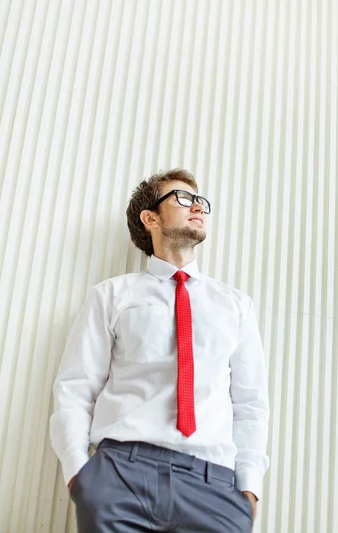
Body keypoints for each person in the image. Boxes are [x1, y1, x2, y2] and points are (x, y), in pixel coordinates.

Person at [50, 168, 270, 532]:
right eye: (183, 198)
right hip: (120, 474)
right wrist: (78, 473)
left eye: (200, 200)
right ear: (150, 218)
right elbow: (75, 388)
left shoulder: (235, 305)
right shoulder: (111, 296)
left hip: (214, 486)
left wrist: (248, 490)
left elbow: (250, 404)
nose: (197, 206)